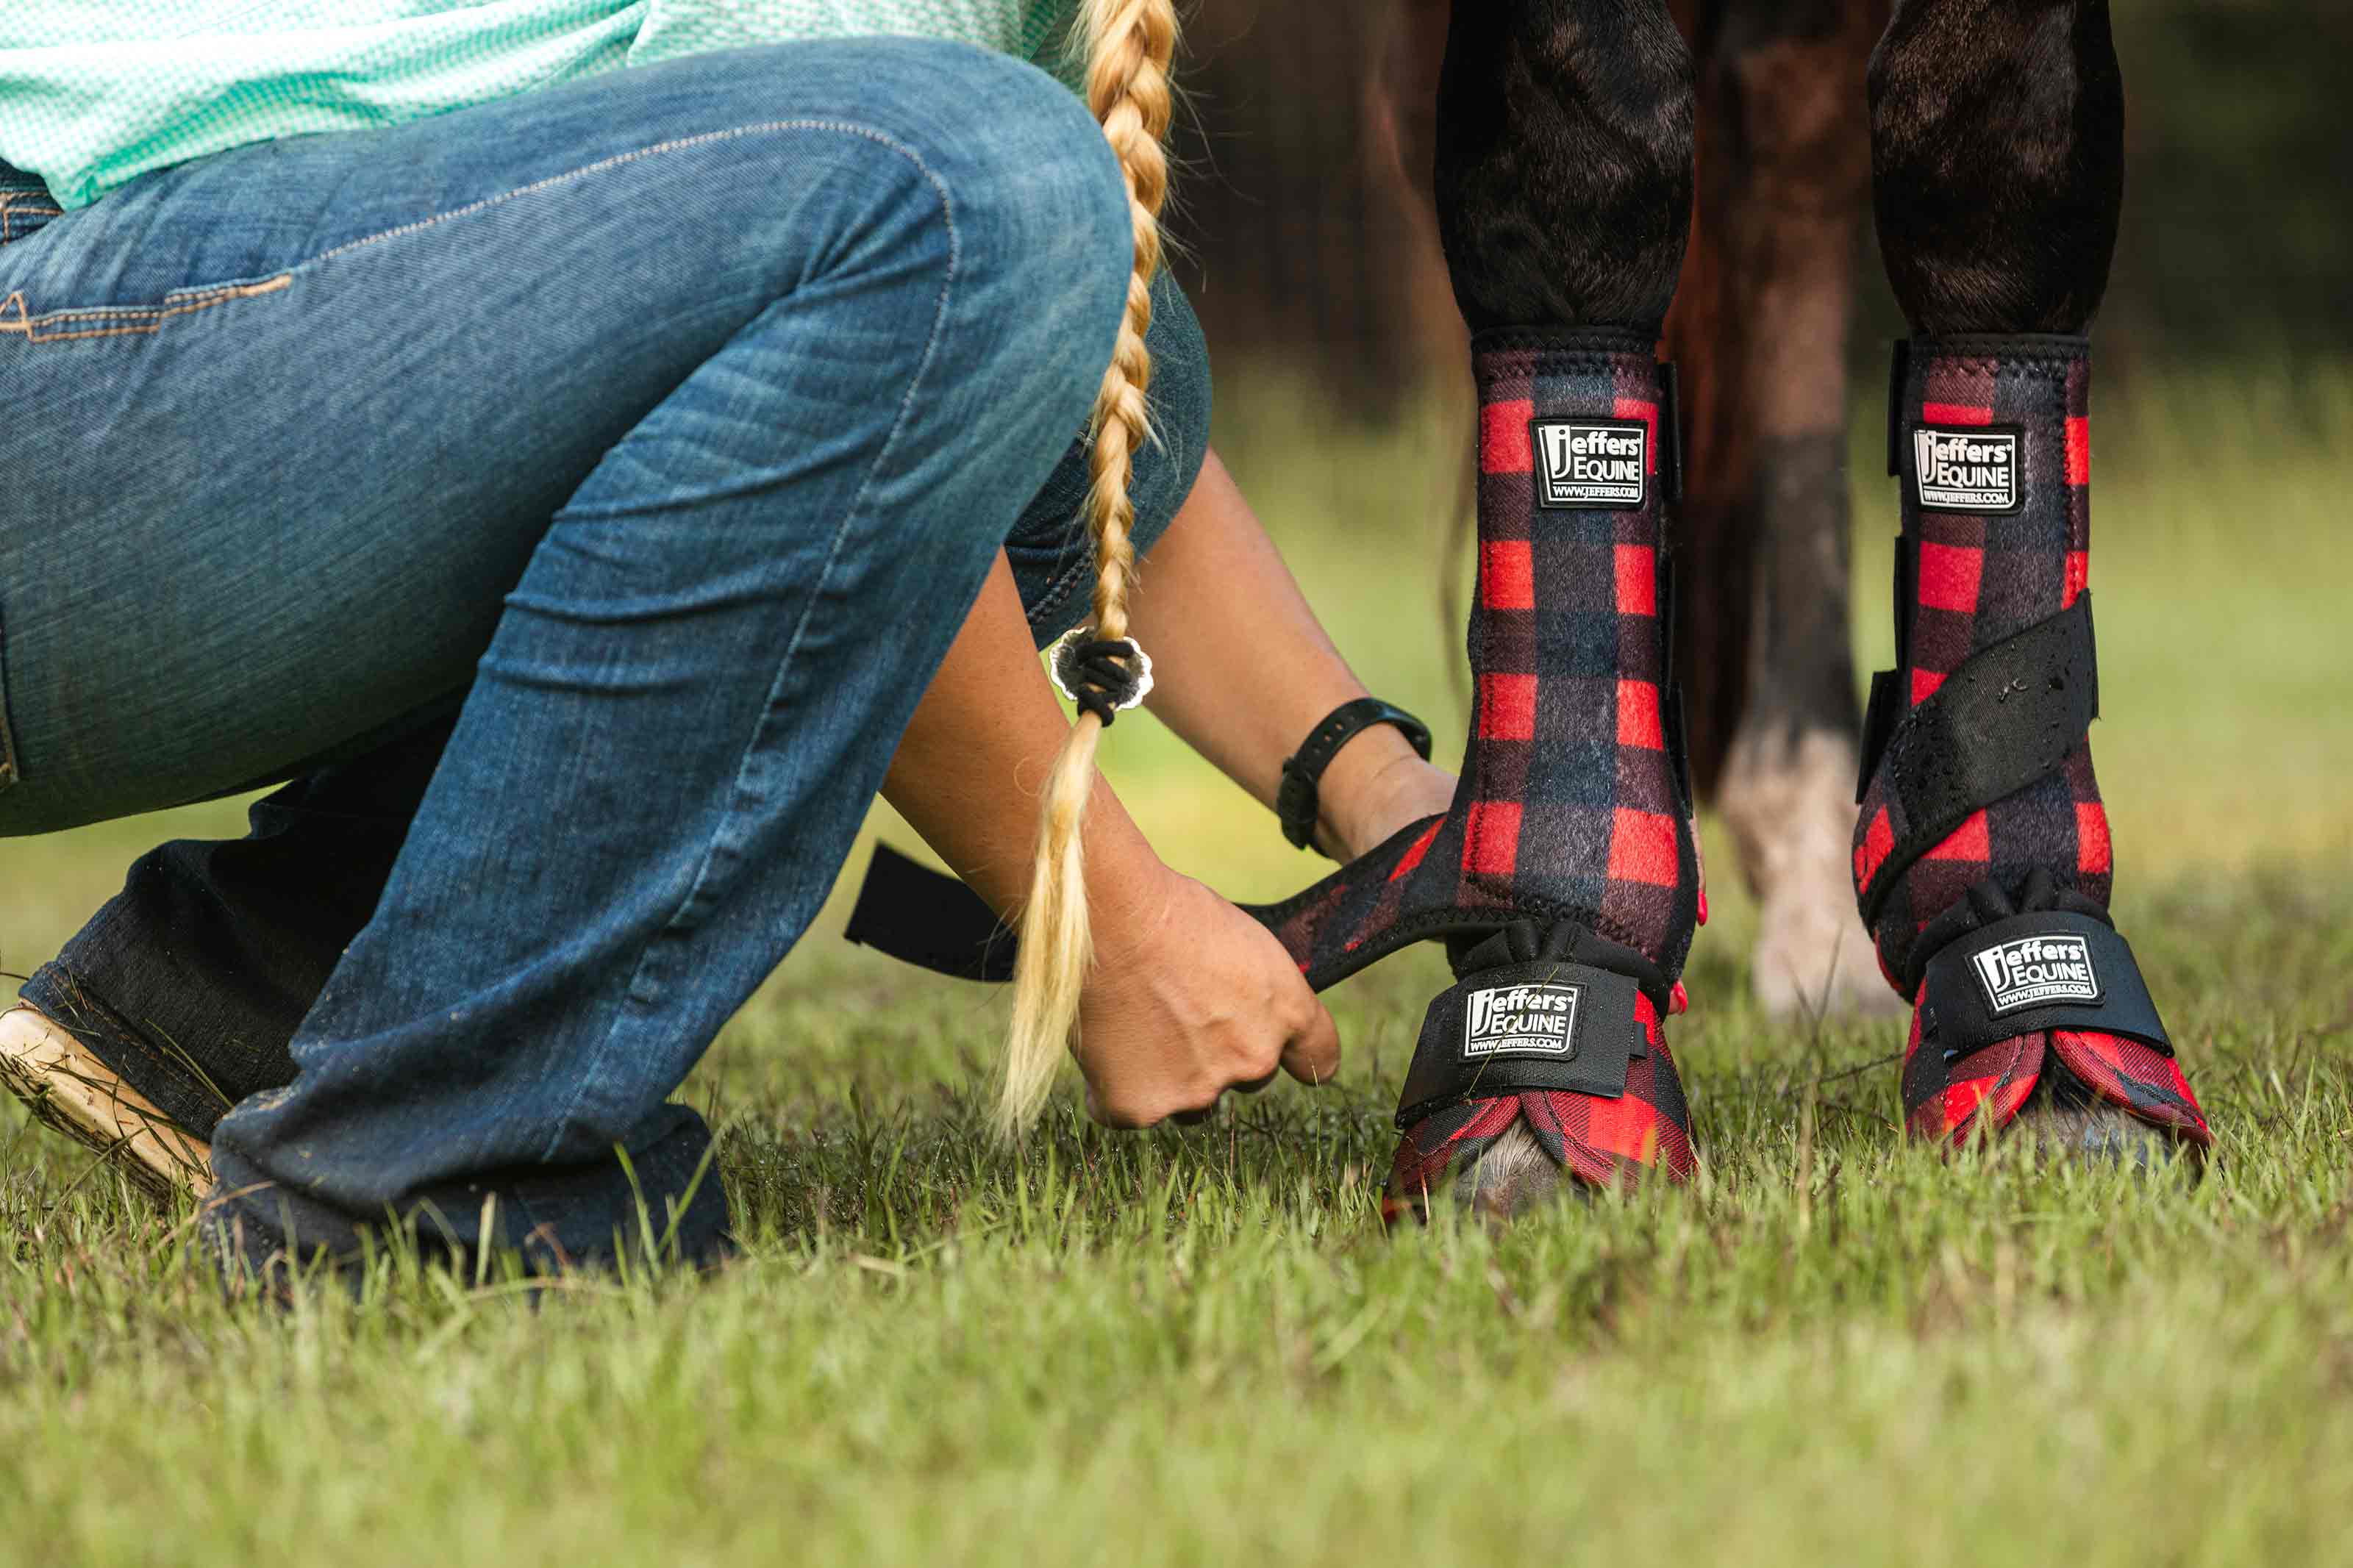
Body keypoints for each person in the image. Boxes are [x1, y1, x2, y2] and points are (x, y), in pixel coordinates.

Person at [0, 1, 1457, 1272]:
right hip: (56, 364)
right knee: (972, 196)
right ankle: (442, 1162)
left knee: (1104, 331)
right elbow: (901, 312)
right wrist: (1114, 930)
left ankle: (251, 994)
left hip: (132, 369)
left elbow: (1086, 420)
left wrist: (1387, 791)